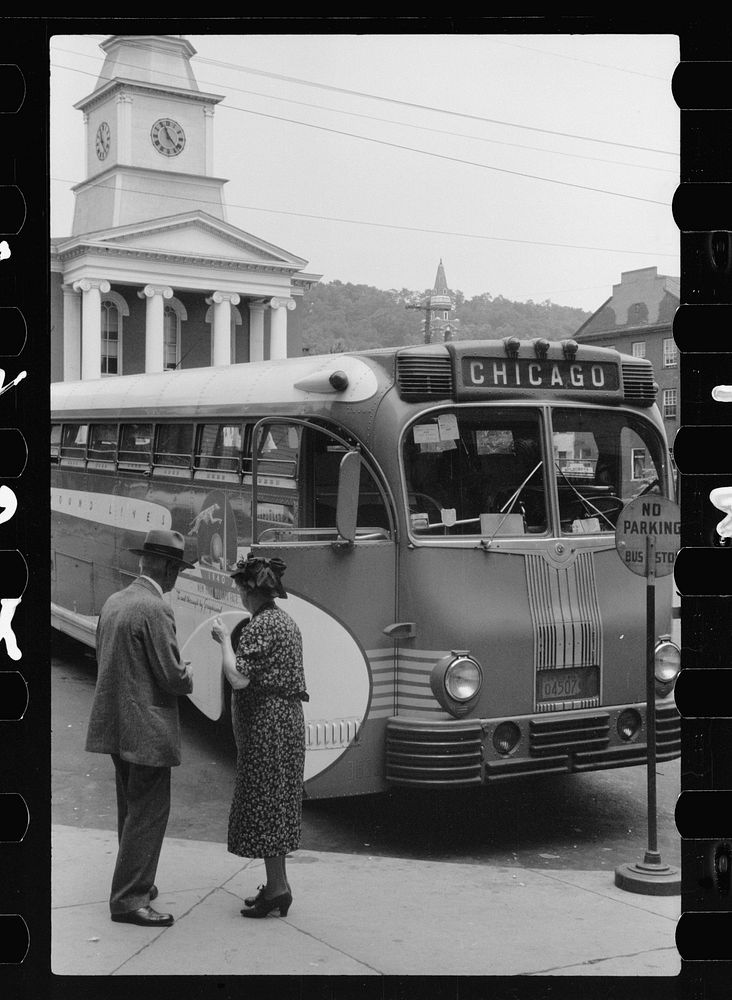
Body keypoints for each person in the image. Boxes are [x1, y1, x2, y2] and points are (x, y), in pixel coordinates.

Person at [85, 529, 194, 927]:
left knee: (130, 810)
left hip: (114, 723)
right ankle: (130, 898)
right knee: (148, 811)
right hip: (146, 727)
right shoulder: (155, 609)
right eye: (177, 570)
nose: (176, 578)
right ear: (165, 568)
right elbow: (172, 677)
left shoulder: (114, 601)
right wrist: (189, 674)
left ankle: (136, 883)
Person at [210, 554, 308, 919]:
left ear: (250, 590)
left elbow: (238, 678)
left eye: (238, 585)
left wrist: (223, 640)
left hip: (268, 726)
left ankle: (277, 890)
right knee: (277, 805)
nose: (236, 590)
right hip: (285, 723)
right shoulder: (284, 621)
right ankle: (277, 887)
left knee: (267, 805)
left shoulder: (259, 626)